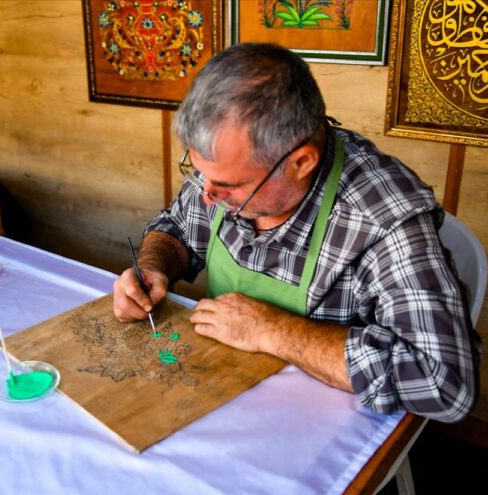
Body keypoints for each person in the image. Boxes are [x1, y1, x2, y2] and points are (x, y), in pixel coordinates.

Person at [113, 43, 481, 423]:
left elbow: (443, 382)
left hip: (323, 419)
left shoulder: (381, 213)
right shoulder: (224, 171)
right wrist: (153, 266)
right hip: (218, 393)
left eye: (228, 185)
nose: (207, 195)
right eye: (199, 172)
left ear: (301, 161)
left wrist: (273, 330)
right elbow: (177, 227)